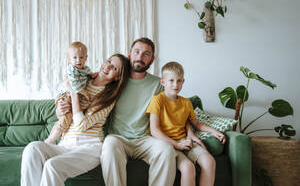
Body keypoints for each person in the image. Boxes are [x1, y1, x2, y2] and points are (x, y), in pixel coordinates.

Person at [21, 53, 130, 186]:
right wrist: (59, 109)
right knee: (32, 148)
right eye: (108, 61)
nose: (108, 66)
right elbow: (65, 106)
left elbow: (81, 124)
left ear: (117, 77)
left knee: (52, 166)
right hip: (65, 144)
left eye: (114, 68)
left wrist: (73, 92)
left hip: (89, 147)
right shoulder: (82, 80)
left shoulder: (109, 97)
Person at [99, 37, 177, 186]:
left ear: (152, 60)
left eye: (146, 54)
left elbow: (178, 108)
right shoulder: (116, 80)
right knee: (109, 144)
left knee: (166, 149)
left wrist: (193, 130)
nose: (140, 57)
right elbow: (91, 85)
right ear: (129, 54)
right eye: (137, 52)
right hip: (118, 138)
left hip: (145, 139)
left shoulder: (159, 84)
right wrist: (63, 100)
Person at [146, 61, 226, 186]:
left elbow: (197, 125)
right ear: (163, 82)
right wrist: (177, 144)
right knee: (188, 168)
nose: (175, 84)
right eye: (171, 80)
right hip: (168, 144)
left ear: (183, 81)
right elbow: (154, 130)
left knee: (209, 161)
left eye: (179, 80)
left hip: (186, 141)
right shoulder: (157, 100)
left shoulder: (186, 102)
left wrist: (214, 132)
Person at [45, 41, 97, 144]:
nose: (78, 60)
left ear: (86, 58)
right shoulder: (71, 70)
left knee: (67, 118)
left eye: (81, 57)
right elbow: (74, 85)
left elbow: (89, 75)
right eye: (75, 58)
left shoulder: (85, 69)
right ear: (69, 59)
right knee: (66, 118)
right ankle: (49, 140)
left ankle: (54, 138)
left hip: (72, 97)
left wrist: (94, 75)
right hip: (65, 96)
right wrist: (85, 93)